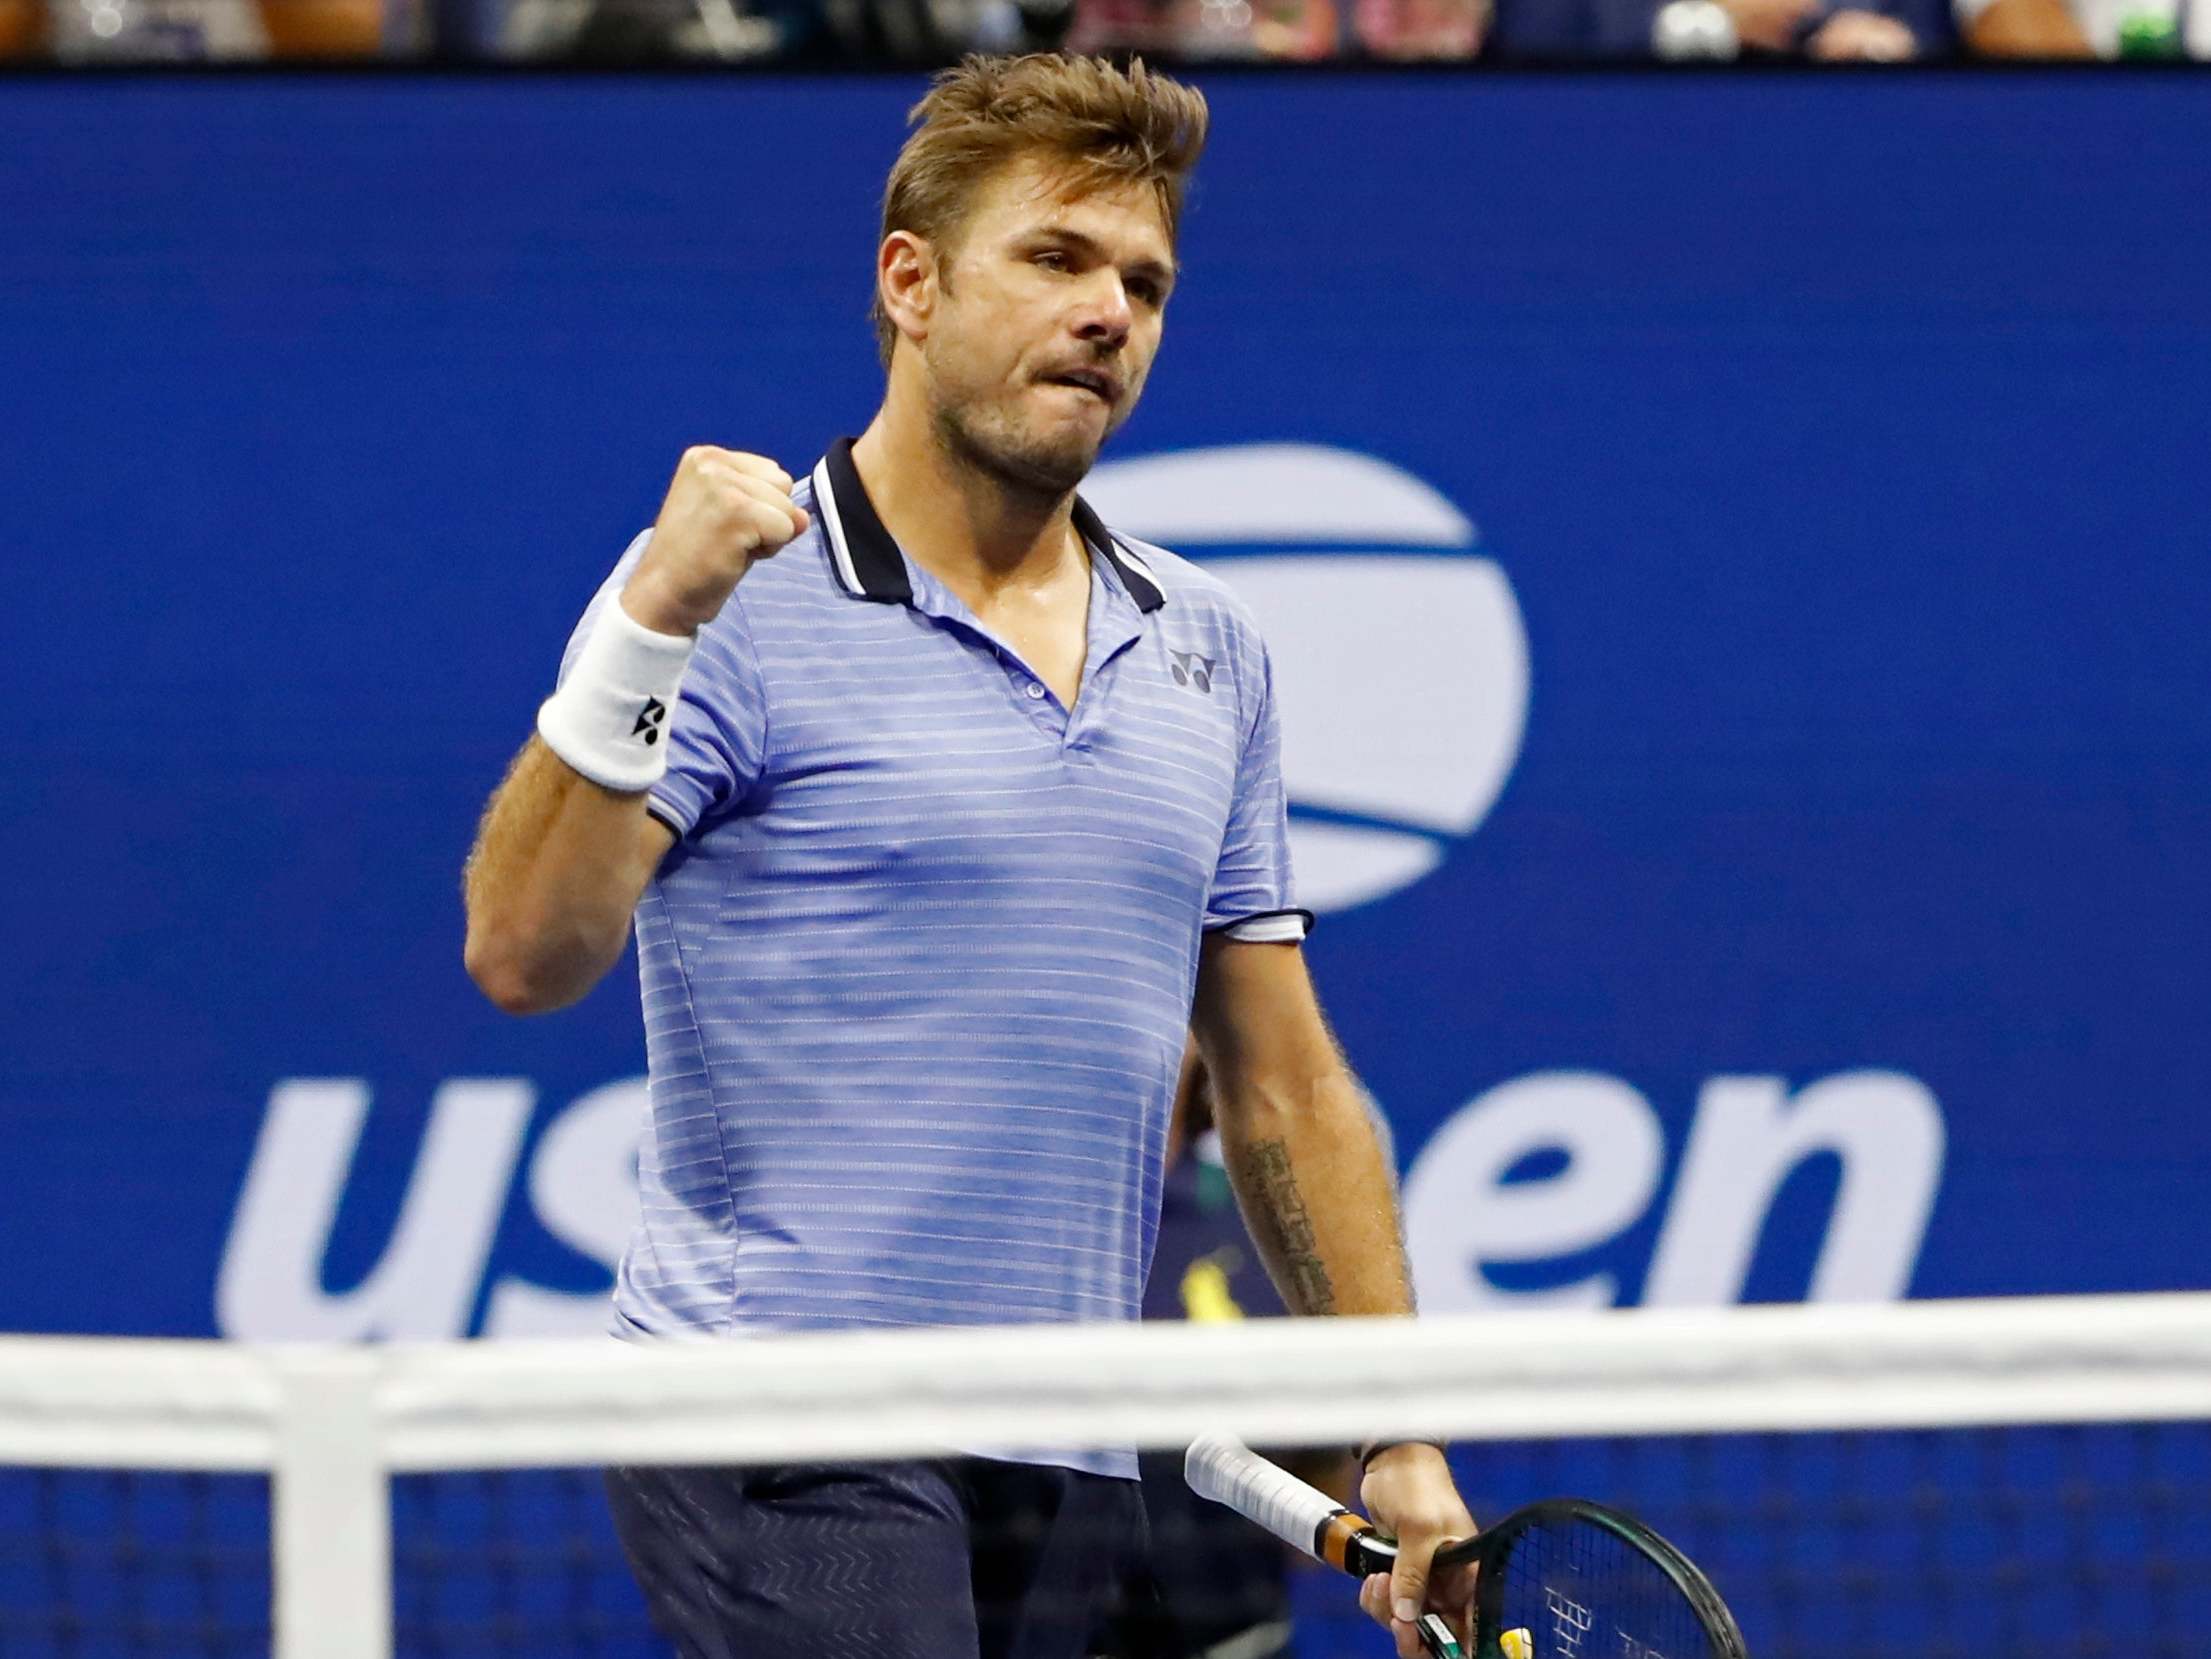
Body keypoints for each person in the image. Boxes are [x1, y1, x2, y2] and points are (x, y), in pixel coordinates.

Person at [462, 52, 1474, 1659]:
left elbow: (1280, 1080)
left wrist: (1396, 1430)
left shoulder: (1209, 644)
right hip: (780, 1418)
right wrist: (652, 616)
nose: (1110, 314)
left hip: (1064, 1437)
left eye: (1144, 281)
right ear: (912, 285)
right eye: (1058, 259)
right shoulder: (721, 603)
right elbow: (525, 954)